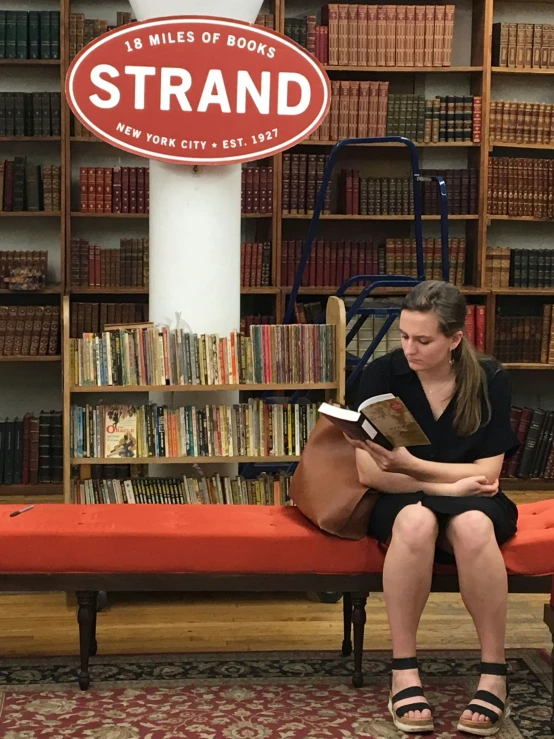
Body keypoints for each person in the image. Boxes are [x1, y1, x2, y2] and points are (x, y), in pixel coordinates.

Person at [345, 280, 520, 736]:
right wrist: (453, 480)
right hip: (403, 499)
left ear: (454, 339)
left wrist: (414, 465)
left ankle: (494, 675)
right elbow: (370, 473)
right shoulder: (382, 375)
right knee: (417, 520)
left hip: (474, 501)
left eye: (423, 340)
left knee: (474, 529)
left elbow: (489, 474)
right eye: (403, 336)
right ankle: (404, 670)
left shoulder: (490, 378)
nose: (409, 348)